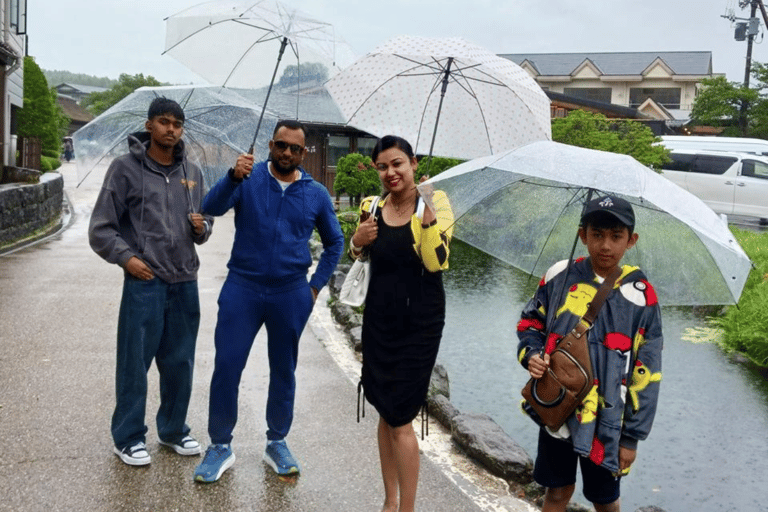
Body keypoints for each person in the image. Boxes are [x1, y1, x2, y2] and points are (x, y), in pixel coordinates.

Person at [193, 120, 344, 483]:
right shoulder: (248, 178)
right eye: (281, 145)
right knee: (227, 365)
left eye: (295, 148)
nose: (288, 153)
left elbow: (335, 242)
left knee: (283, 370)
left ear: (303, 152)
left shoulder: (316, 193)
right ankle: (219, 445)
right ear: (271, 145)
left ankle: (277, 441)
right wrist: (232, 175)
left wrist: (314, 287)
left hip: (290, 292)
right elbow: (209, 208)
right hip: (242, 287)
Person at [516, 195, 663, 512]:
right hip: (559, 407)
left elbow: (648, 369)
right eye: (597, 235)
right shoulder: (559, 274)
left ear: (631, 240)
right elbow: (530, 322)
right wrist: (532, 354)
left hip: (609, 420)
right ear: (583, 235)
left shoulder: (641, 294)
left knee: (605, 500)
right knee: (556, 492)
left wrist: (631, 438)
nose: (606, 246)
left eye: (616, 236)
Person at [89, 97, 213, 466]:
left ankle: (173, 430)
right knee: (134, 362)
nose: (171, 129)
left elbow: (206, 225)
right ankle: (127, 437)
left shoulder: (192, 170)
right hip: (145, 282)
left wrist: (202, 227)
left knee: (180, 362)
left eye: (177, 123)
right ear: (149, 125)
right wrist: (127, 259)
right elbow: (101, 228)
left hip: (185, 280)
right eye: (164, 122)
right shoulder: (124, 169)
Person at [349, 135, 453, 512]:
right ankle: (389, 499)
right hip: (379, 319)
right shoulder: (370, 206)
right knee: (383, 406)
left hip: (420, 325)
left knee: (401, 417)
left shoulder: (438, 203)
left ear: (413, 163)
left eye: (398, 164)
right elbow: (358, 253)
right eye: (382, 166)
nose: (391, 172)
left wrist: (427, 214)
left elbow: (435, 261)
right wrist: (358, 240)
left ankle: (406, 508)